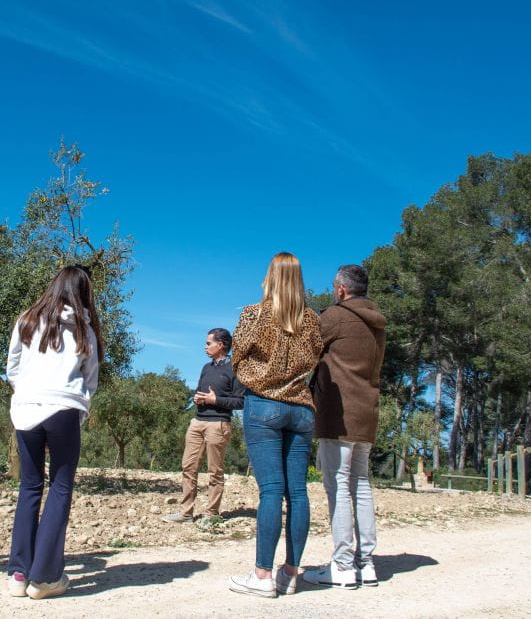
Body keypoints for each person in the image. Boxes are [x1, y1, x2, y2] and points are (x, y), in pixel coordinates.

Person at [227, 252, 323, 598]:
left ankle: (262, 576)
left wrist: (259, 378)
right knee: (297, 492)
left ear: (270, 275)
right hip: (300, 409)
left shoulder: (253, 314)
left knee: (271, 490)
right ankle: (292, 572)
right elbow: (315, 357)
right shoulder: (312, 320)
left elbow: (236, 357)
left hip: (264, 404)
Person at [5, 266, 102, 600]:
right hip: (64, 409)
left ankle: (18, 572)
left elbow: (12, 368)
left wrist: (30, 396)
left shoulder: (27, 320)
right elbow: (90, 379)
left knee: (30, 485)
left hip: (26, 408)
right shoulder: (84, 329)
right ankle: (45, 577)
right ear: (83, 292)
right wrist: (76, 410)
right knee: (60, 487)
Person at [303, 264, 386, 590]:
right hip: (367, 411)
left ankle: (341, 565)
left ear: (340, 289)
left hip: (338, 414)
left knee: (337, 486)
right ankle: (366, 563)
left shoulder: (336, 316)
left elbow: (306, 349)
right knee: (361, 485)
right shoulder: (377, 322)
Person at [162, 328, 244, 523]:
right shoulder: (206, 368)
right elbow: (200, 391)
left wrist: (216, 400)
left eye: (208, 343)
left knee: (215, 471)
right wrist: (198, 398)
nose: (205, 347)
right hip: (197, 422)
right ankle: (186, 513)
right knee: (188, 467)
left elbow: (241, 402)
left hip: (219, 424)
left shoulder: (235, 368)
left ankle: (211, 514)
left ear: (221, 345)